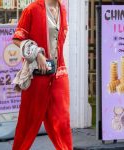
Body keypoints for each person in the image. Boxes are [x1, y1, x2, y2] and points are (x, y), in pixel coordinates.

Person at [12, 0, 73, 149]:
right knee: (28, 121)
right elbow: (17, 39)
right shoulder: (32, 9)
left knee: (62, 122)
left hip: (59, 72)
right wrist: (36, 52)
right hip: (37, 74)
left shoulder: (63, 9)